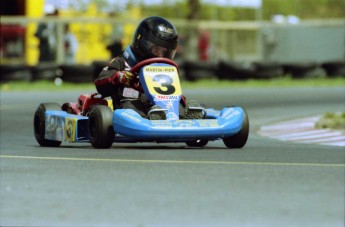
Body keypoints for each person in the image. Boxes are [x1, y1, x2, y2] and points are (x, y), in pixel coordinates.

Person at [94, 16, 203, 120]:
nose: (160, 55)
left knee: (178, 106)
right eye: (156, 49)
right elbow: (100, 82)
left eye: (166, 52)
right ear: (142, 43)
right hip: (131, 104)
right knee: (131, 107)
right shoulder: (122, 62)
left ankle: (185, 117)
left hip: (159, 104)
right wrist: (119, 77)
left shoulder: (166, 69)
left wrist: (180, 100)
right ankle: (154, 117)